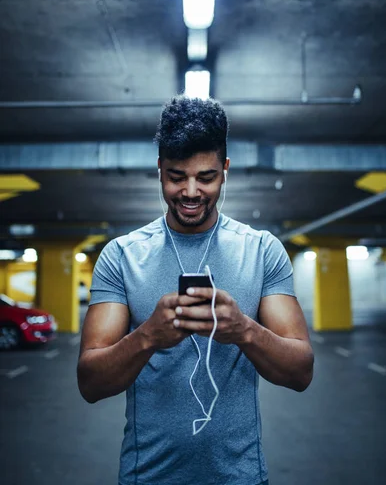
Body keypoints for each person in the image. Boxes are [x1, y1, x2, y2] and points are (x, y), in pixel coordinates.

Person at [77, 95, 314, 485]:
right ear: (158, 170)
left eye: (206, 177)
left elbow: (301, 372)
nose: (190, 192)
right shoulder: (121, 256)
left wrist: (244, 330)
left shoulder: (261, 250)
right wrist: (148, 336)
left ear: (225, 169)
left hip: (241, 476)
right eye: (176, 176)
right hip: (147, 476)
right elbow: (90, 383)